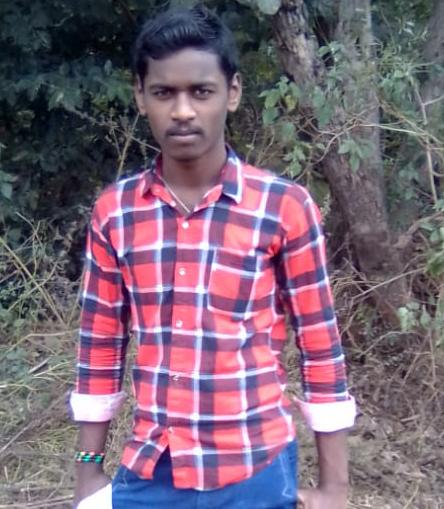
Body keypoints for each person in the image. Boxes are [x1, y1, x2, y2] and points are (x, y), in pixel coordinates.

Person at [70, 5, 356, 509]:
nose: (183, 110)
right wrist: (89, 470)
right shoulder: (116, 211)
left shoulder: (283, 207)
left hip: (257, 469)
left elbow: (320, 345)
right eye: (164, 93)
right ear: (140, 96)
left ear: (233, 92)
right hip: (152, 468)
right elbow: (100, 345)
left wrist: (335, 487)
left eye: (201, 92)